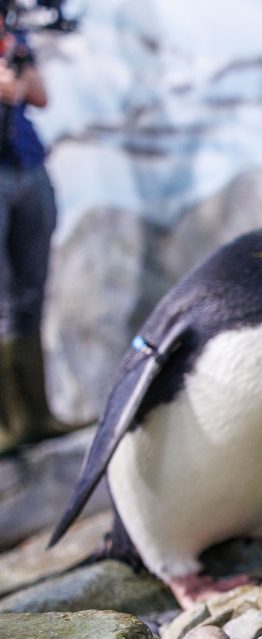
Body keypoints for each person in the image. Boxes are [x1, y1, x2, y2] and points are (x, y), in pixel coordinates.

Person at [0, 16, 71, 454]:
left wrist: (21, 74)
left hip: (26, 165)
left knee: (29, 294)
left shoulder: (15, 35)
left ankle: (38, 414)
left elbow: (40, 97)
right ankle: (9, 424)